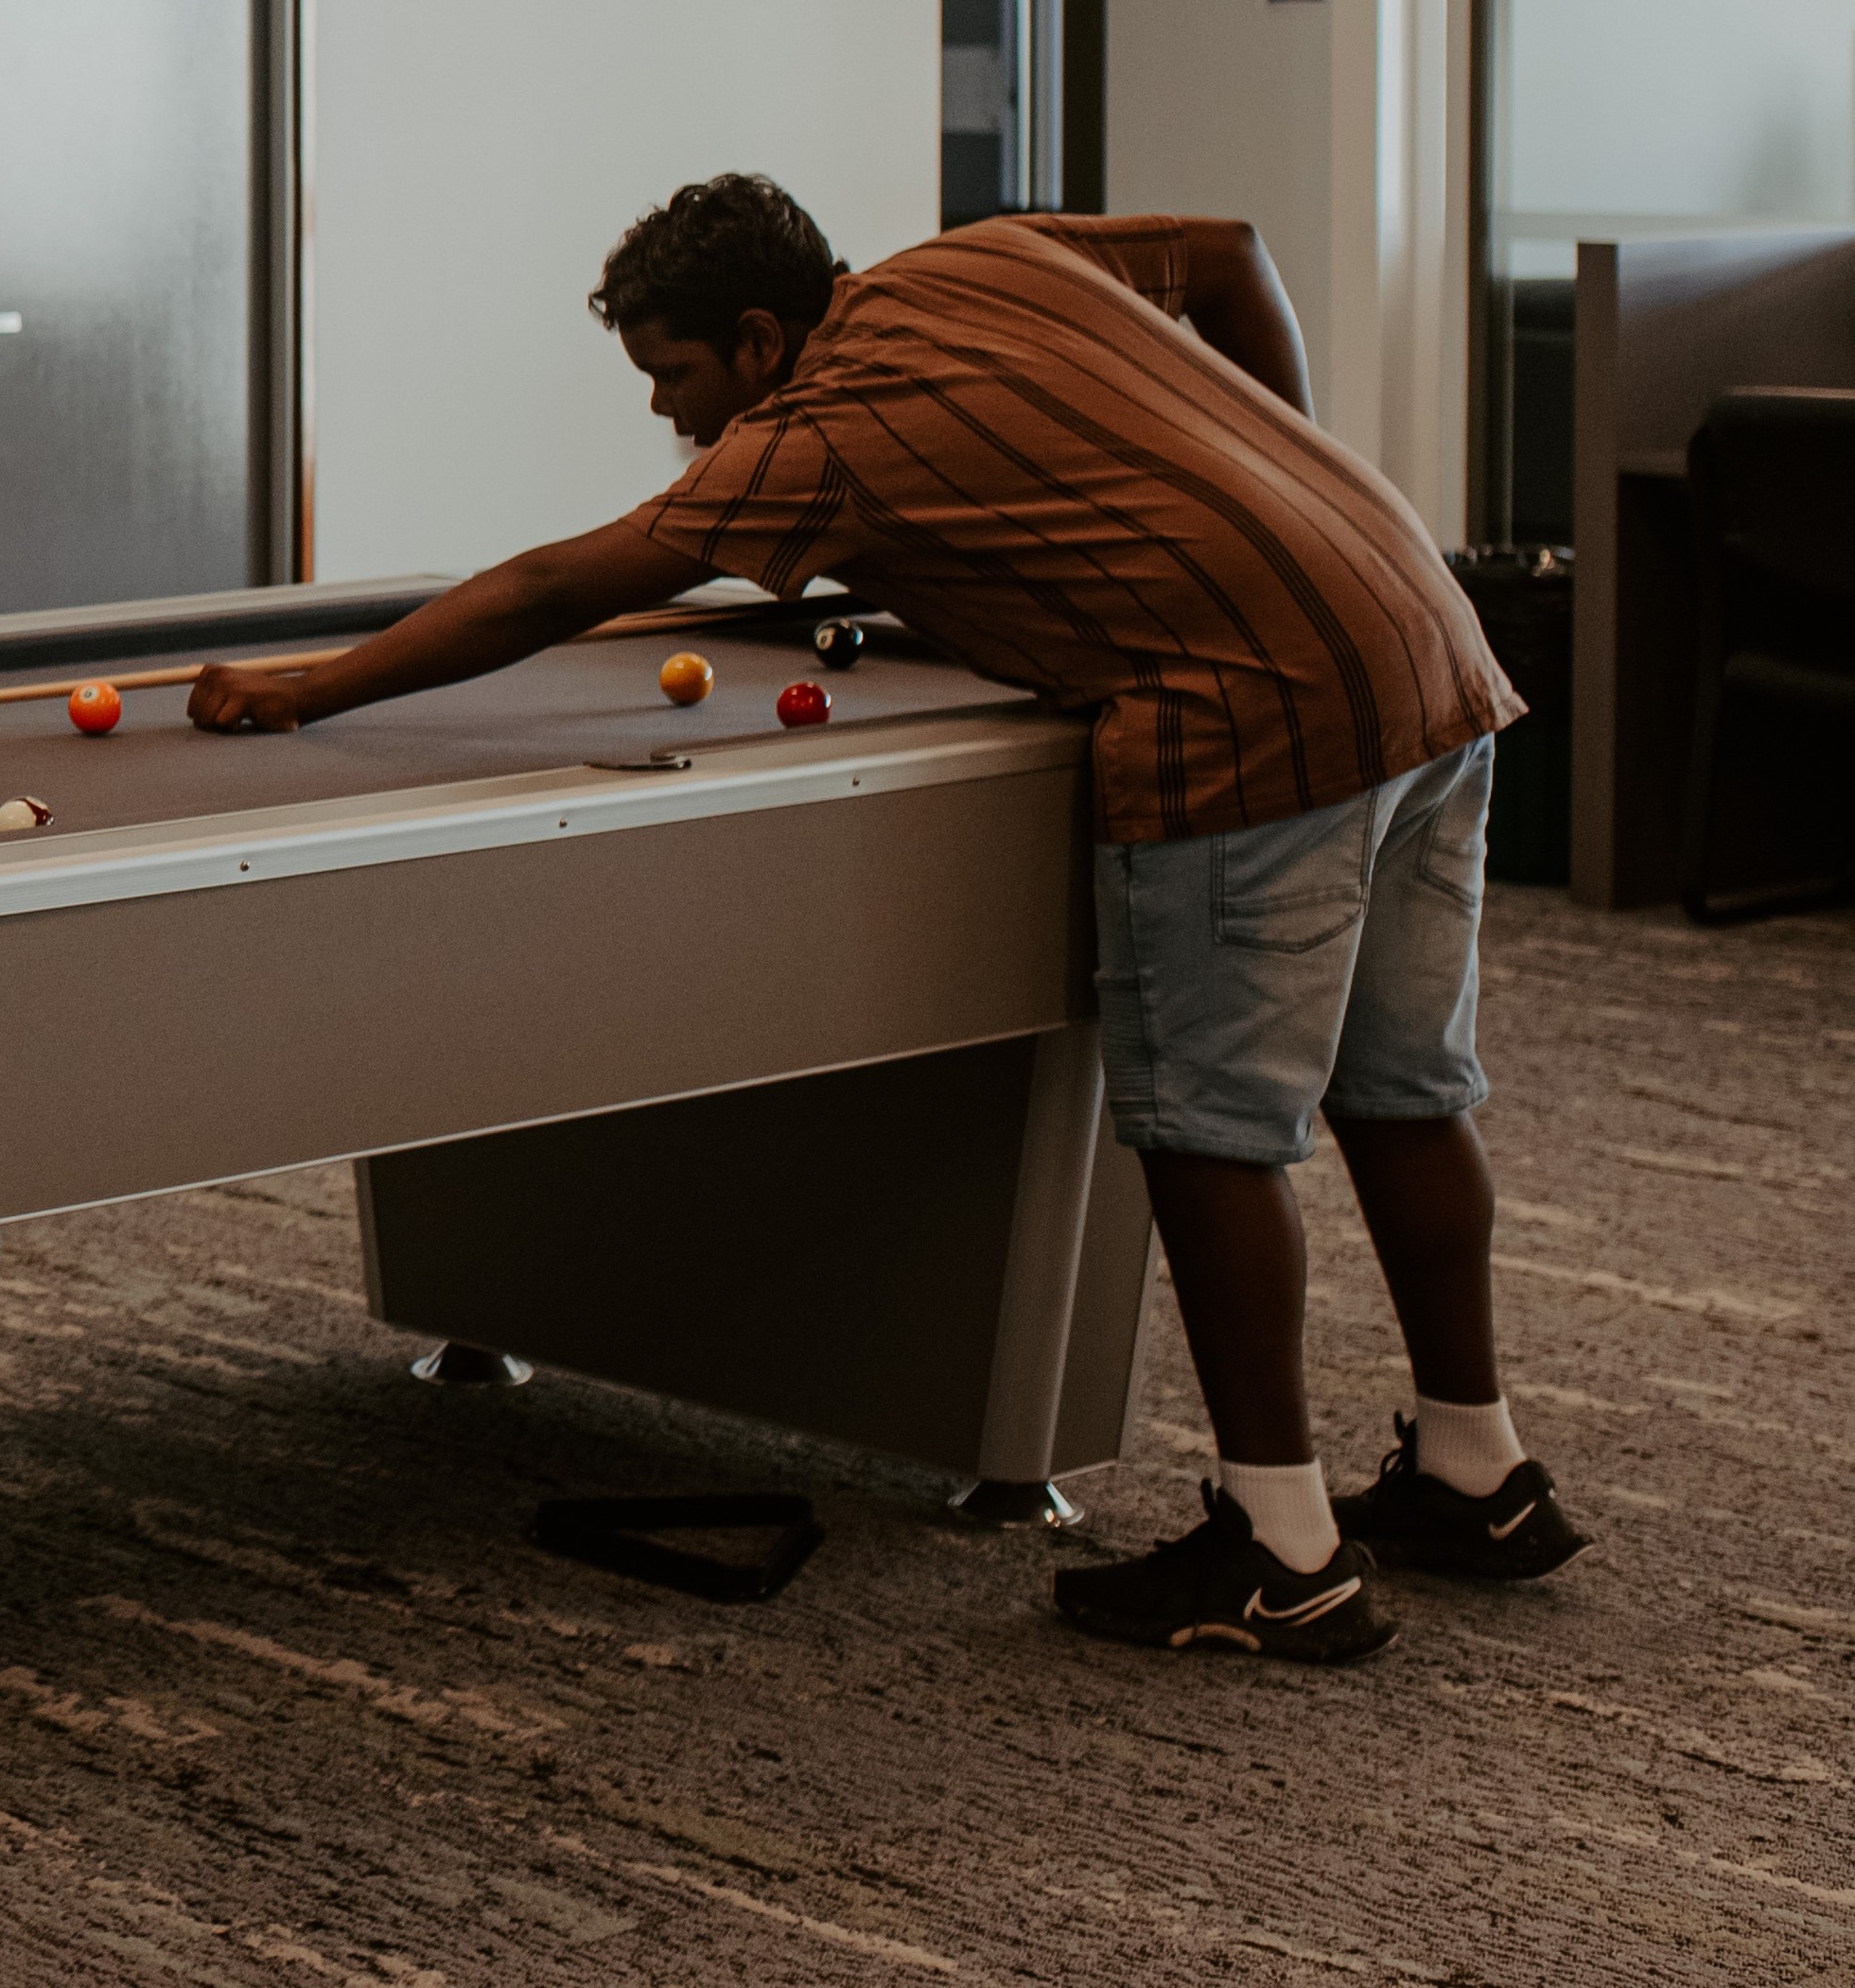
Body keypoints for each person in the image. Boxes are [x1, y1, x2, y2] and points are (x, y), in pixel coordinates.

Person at [191, 174, 1584, 1661]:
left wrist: (306, 687)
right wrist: (1286, 476)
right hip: (1418, 628)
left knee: (1211, 1131)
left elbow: (556, 584)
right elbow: (1235, 254)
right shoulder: (973, 261)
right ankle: (1475, 1471)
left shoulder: (809, 445)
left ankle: (1282, 1550)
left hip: (1251, 715)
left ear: (756, 335)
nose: (674, 418)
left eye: (676, 376)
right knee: (1405, 1092)